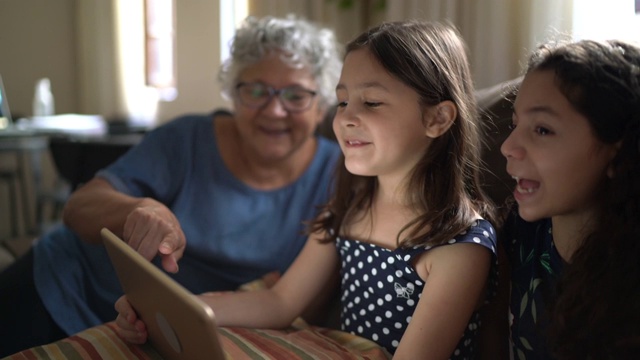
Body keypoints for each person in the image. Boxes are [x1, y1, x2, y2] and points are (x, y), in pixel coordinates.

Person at [116, 20, 499, 359]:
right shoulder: (351, 205)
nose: (346, 117)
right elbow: (280, 302)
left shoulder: (460, 245)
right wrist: (172, 310)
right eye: (344, 100)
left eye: (371, 102)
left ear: (437, 118)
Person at [0, 15, 343, 356]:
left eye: (296, 96)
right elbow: (78, 207)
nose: (275, 110)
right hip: (62, 285)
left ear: (322, 106)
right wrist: (140, 208)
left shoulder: (337, 176)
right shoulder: (187, 139)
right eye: (255, 91)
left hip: (161, 330)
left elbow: (302, 305)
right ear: (233, 96)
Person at [495, 39, 640, 359]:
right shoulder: (521, 233)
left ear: (618, 152)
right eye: (515, 123)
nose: (508, 146)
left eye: (543, 130)